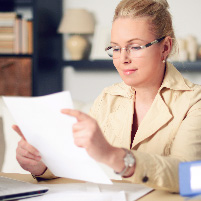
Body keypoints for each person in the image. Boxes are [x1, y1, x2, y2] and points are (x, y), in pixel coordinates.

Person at [13, 0, 201, 193]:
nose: (123, 59)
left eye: (135, 47)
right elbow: (76, 159)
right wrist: (41, 164)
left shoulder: (194, 101)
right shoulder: (108, 97)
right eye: (116, 48)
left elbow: (188, 176)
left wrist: (114, 156)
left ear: (165, 47)